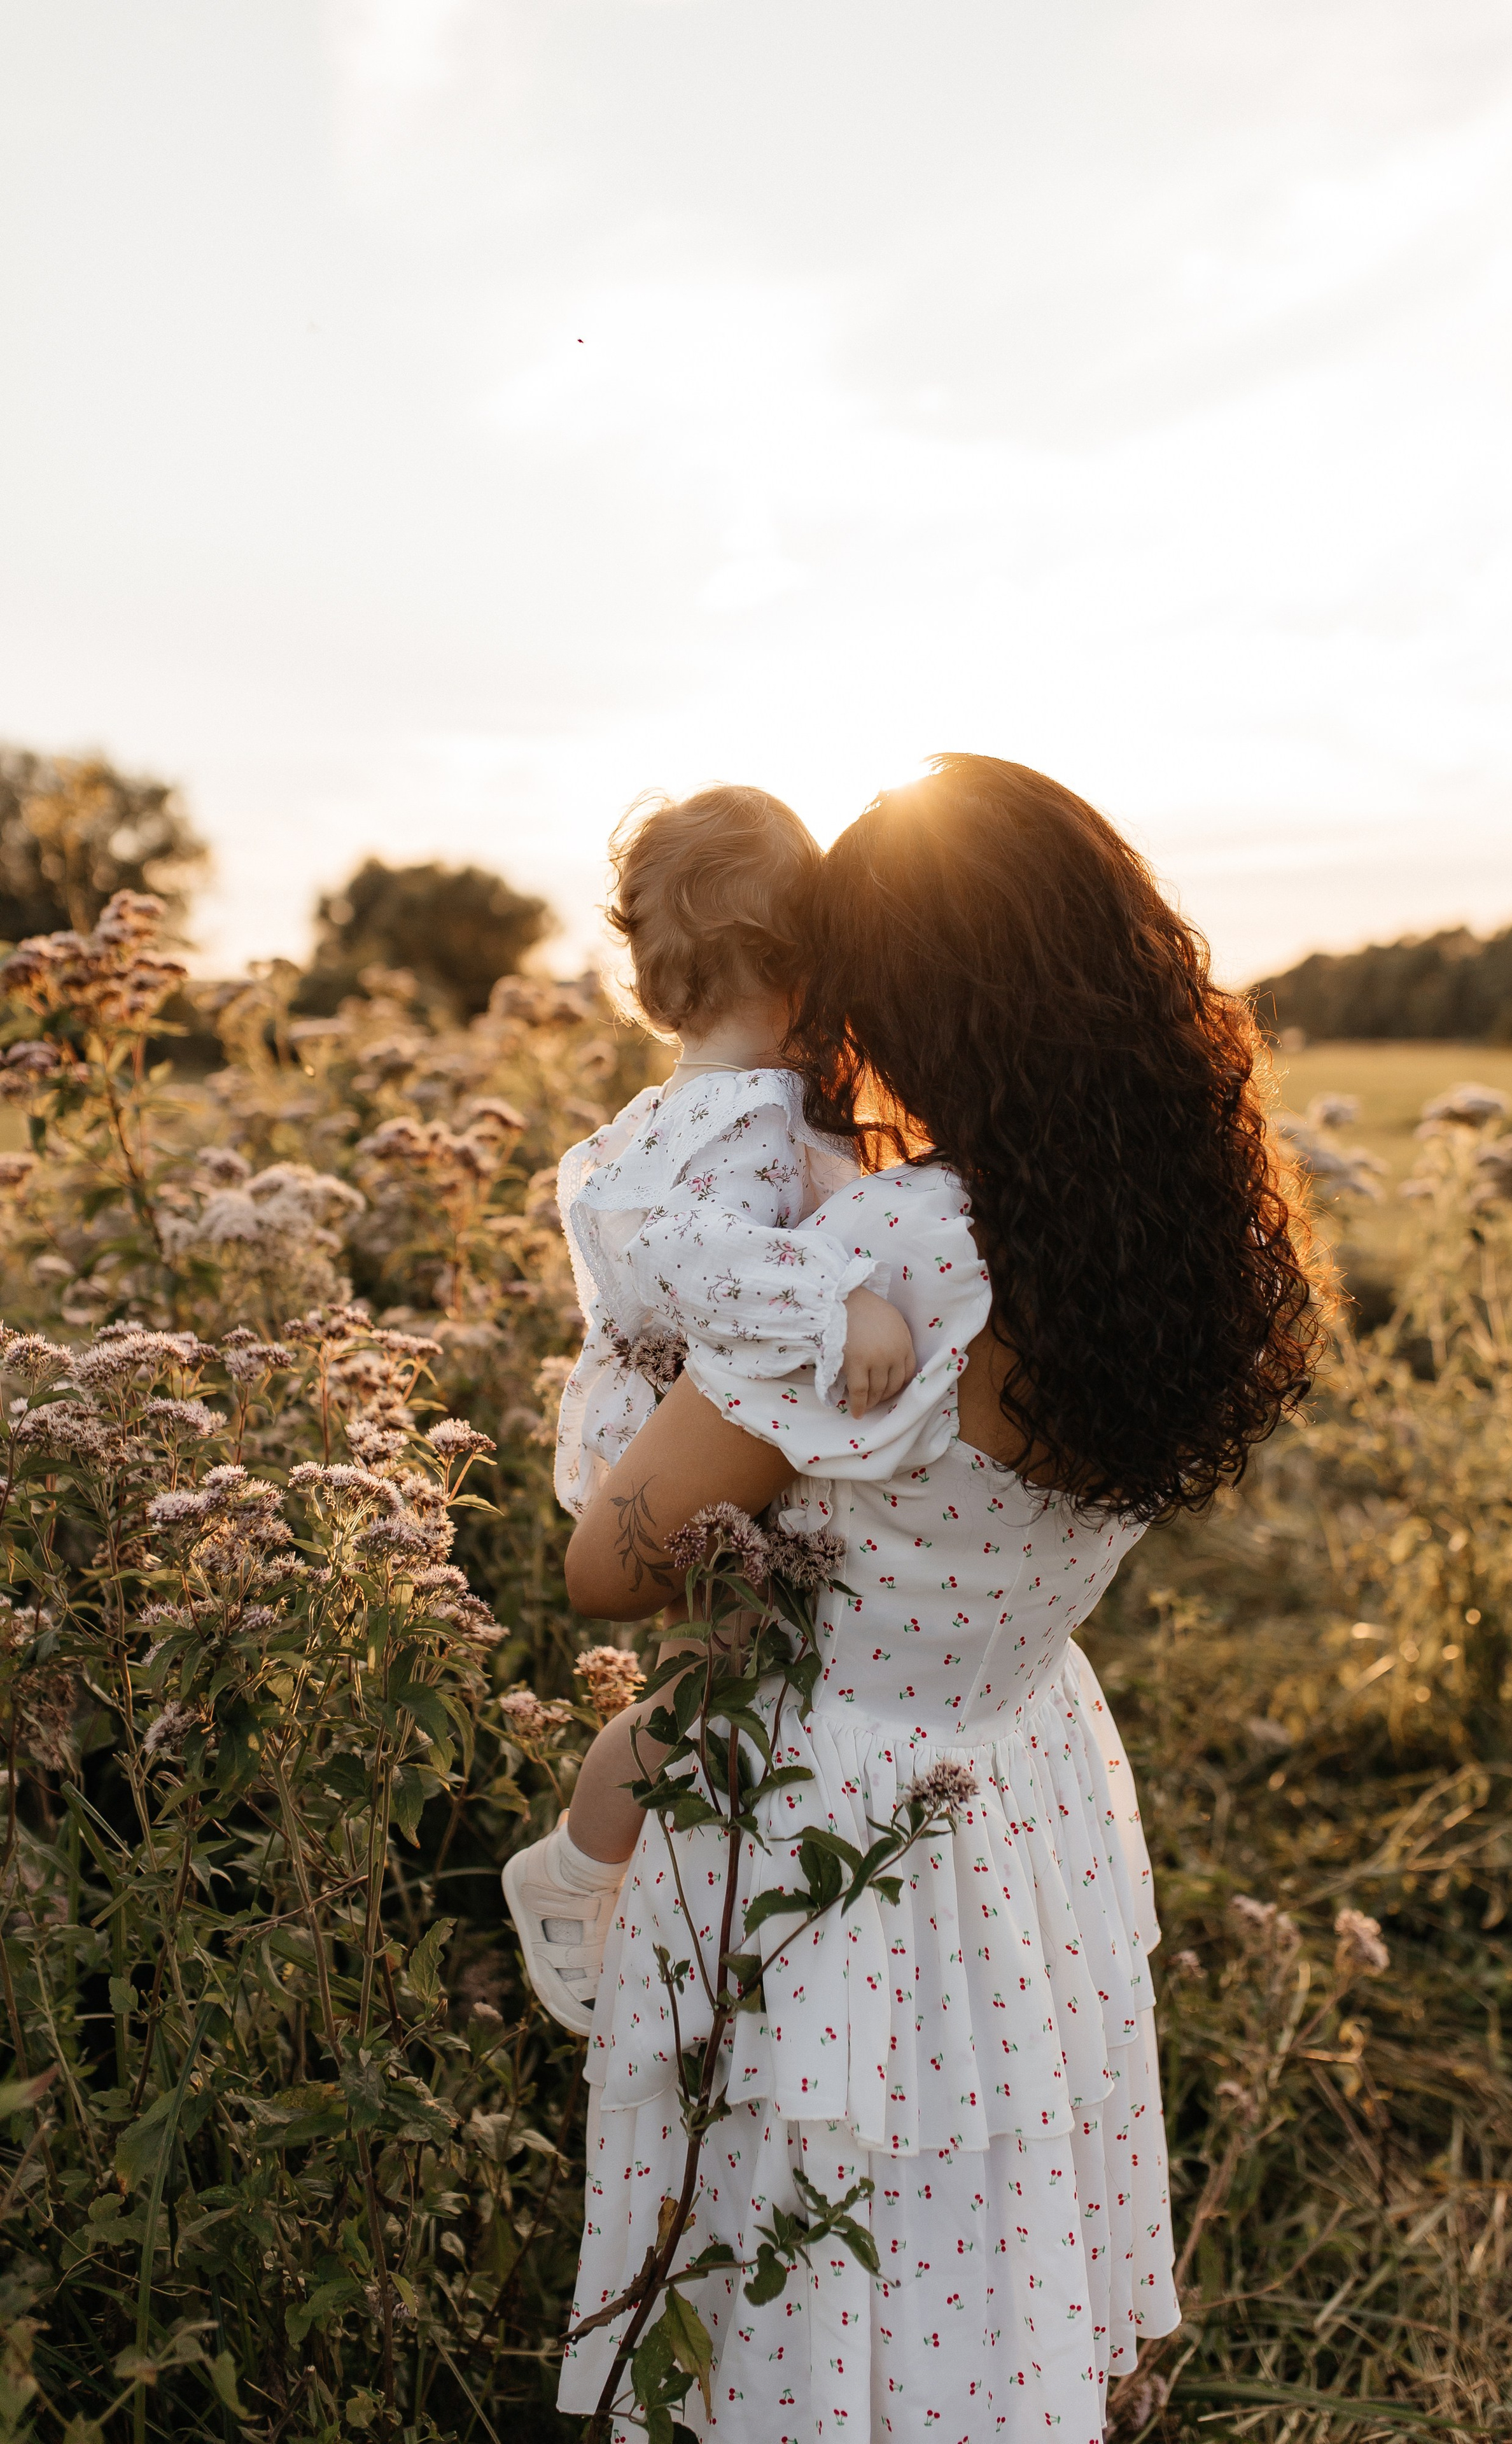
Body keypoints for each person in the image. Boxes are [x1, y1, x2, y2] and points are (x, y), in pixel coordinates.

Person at [552, 755, 1320, 2438]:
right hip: (1019, 1765)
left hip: (830, 1821)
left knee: (813, 2271)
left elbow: (611, 1560)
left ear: (903, 997)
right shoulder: (1185, 1233)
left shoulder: (899, 1259)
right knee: (982, 2240)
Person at [503, 785, 917, 2031]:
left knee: (721, 1681)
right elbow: (701, 1255)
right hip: (675, 1457)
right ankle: (574, 1872)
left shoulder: (669, 1114)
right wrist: (843, 1302)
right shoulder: (743, 1120)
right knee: (702, 1685)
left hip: (647, 1440)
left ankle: (644, 1877)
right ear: (806, 968)